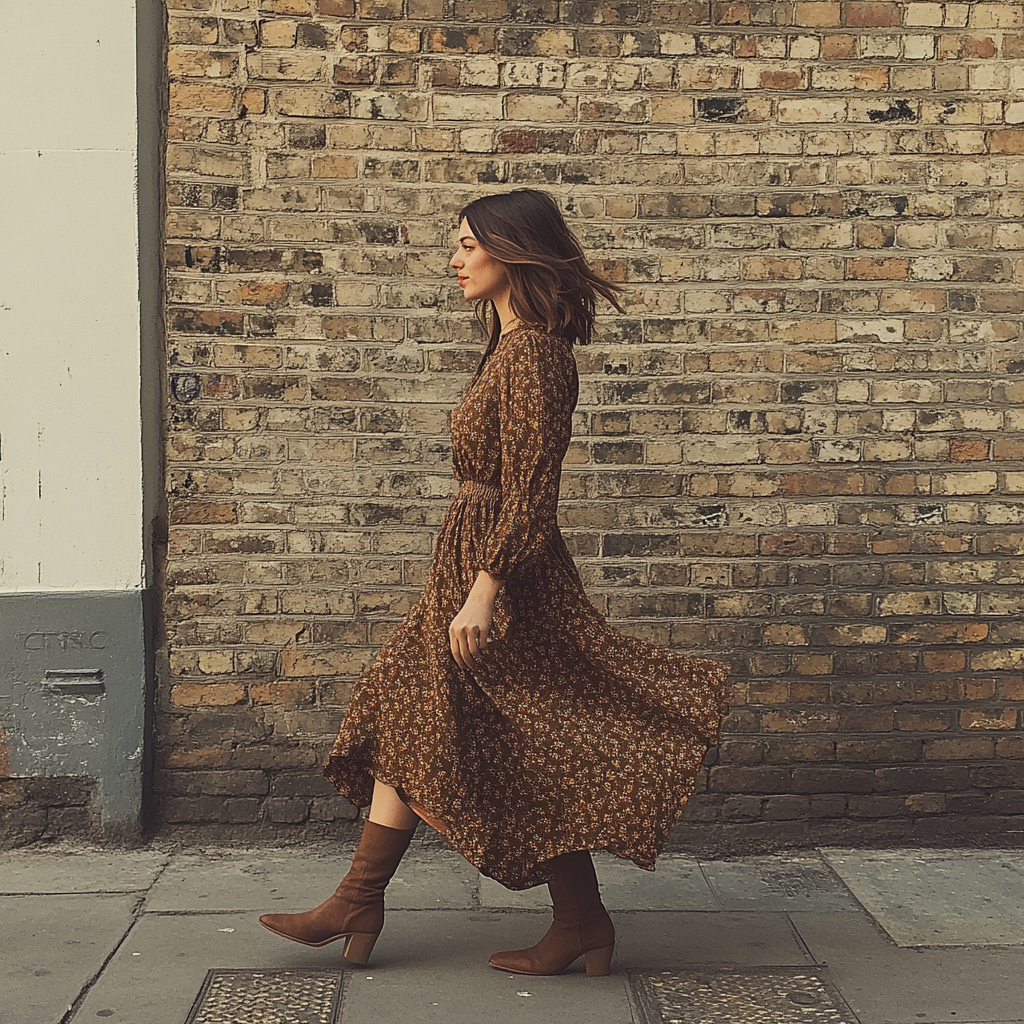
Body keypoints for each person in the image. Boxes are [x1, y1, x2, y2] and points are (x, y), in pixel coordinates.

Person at [259, 189, 729, 976]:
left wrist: (487, 587)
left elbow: (532, 489)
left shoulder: (537, 354)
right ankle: (570, 920)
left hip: (502, 568)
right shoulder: (509, 347)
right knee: (447, 718)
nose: (455, 258)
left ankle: (362, 900)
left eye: (469, 244)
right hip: (473, 558)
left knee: (450, 715)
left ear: (513, 252)